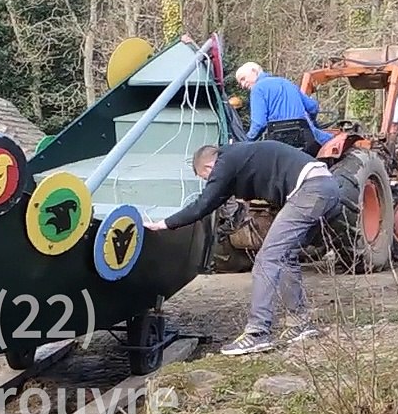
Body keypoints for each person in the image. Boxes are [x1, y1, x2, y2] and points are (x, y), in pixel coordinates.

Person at [144, 140, 341, 355]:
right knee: (285, 256)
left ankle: (257, 333)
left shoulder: (225, 162)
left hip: (310, 190)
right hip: (327, 186)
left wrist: (164, 224)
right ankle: (299, 324)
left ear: (209, 167)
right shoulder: (240, 155)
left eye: (206, 178)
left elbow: (203, 204)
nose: (210, 181)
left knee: (267, 259)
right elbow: (217, 199)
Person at [237, 62, 333, 157]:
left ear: (254, 71)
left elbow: (259, 124)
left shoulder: (257, 89)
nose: (242, 85)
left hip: (279, 144)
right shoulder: (286, 82)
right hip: (306, 139)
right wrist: (313, 123)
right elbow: (312, 107)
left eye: (243, 79)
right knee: (334, 141)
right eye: (240, 83)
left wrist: (246, 142)